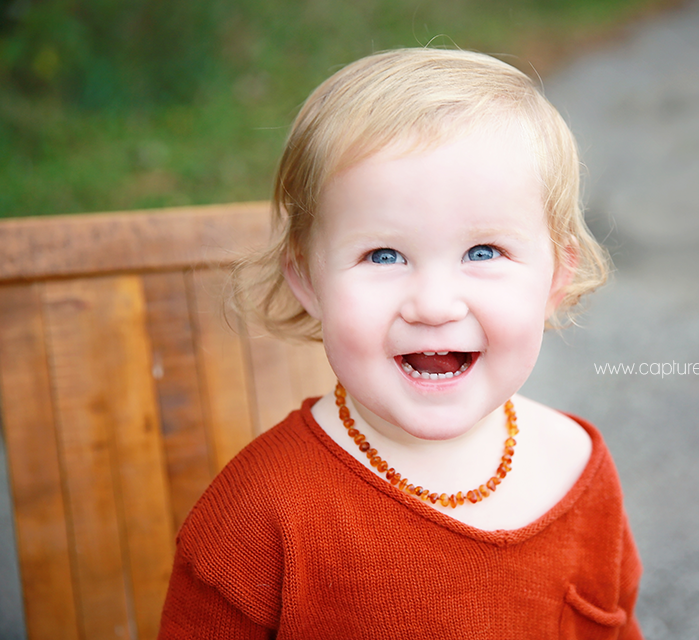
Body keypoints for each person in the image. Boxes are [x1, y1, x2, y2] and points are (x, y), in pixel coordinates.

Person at [158, 47, 643, 639]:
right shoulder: (258, 518)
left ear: (556, 277)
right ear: (308, 278)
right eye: (383, 254)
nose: (434, 304)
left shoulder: (579, 471)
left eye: (483, 252)